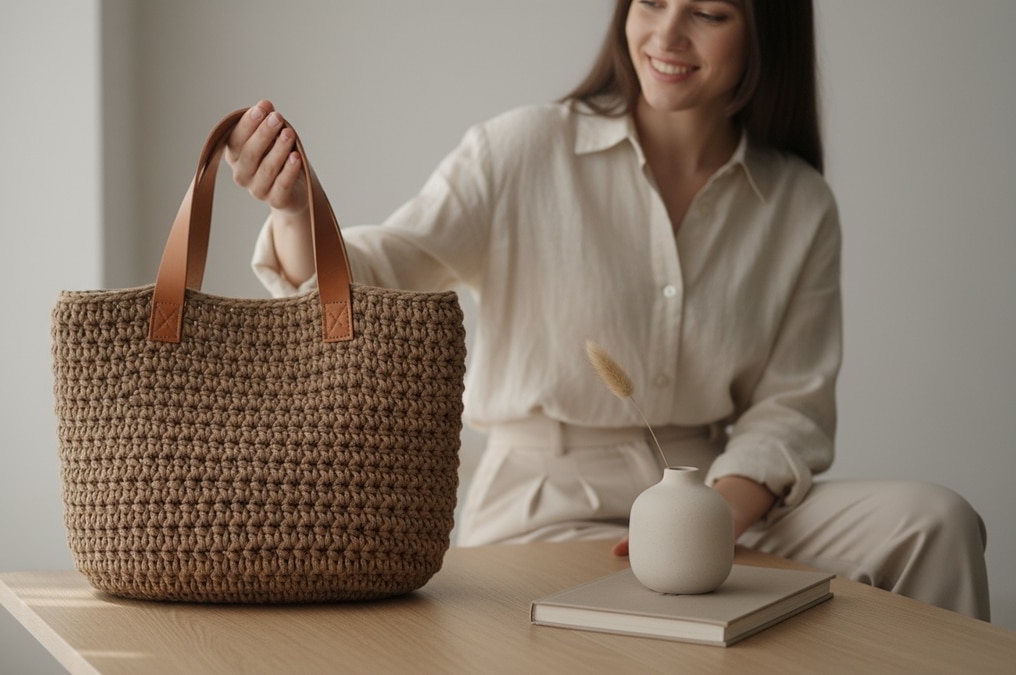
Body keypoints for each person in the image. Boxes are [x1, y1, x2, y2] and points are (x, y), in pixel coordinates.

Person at [224, 0, 990, 620]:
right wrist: (294, 210)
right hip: (548, 503)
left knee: (933, 522)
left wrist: (713, 515)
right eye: (651, 1)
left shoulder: (800, 204)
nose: (668, 34)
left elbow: (792, 407)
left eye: (709, 13)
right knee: (650, 629)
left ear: (765, 30)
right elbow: (381, 268)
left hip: (721, 492)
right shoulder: (524, 149)